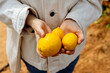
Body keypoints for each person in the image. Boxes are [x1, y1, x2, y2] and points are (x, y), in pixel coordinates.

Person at [0, 0, 102, 73]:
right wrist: (28, 19)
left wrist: (75, 19)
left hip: (67, 56)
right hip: (29, 49)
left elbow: (94, 1)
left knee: (66, 69)